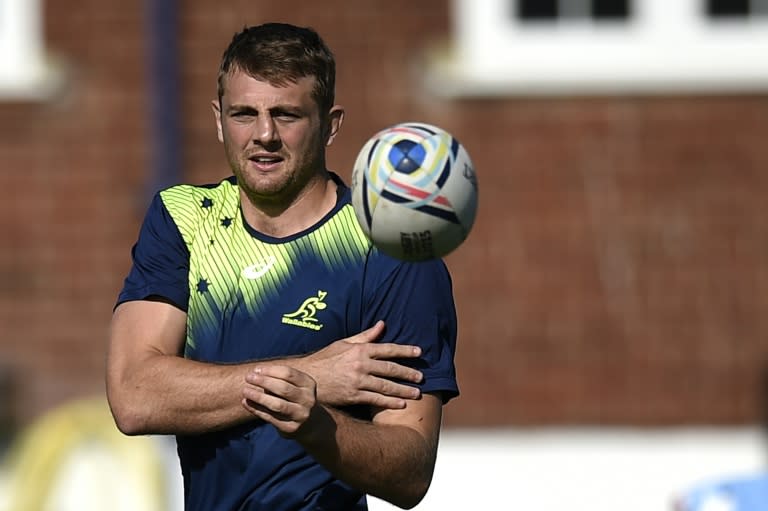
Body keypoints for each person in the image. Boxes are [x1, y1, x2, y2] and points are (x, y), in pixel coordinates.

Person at [106, 22, 459, 511]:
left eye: (287, 114)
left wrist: (315, 420)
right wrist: (308, 374)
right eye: (244, 114)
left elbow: (410, 472)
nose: (264, 135)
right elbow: (133, 397)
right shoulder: (183, 219)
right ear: (218, 119)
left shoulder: (391, 251)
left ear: (330, 124)